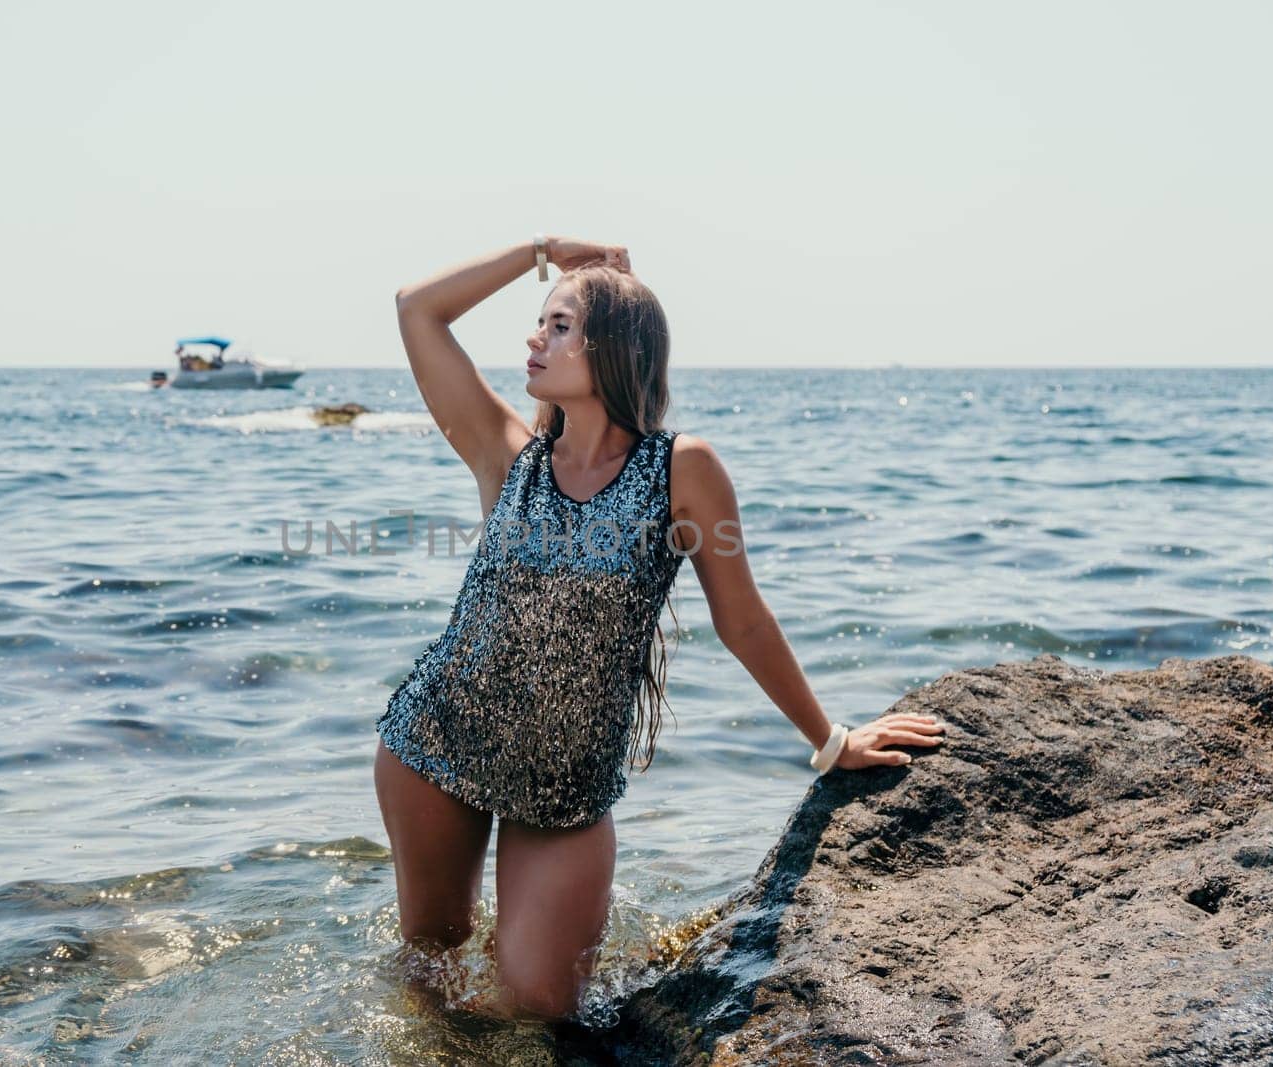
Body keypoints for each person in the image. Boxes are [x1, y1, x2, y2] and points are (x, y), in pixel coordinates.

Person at [372, 236, 946, 1023]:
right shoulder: (509, 456)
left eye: (559, 324)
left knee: (543, 1008)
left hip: (565, 786)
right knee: (431, 969)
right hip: (438, 743)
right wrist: (541, 250)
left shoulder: (684, 469)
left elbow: (742, 620)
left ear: (611, 346)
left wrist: (830, 739)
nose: (534, 339)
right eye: (539, 322)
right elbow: (417, 308)